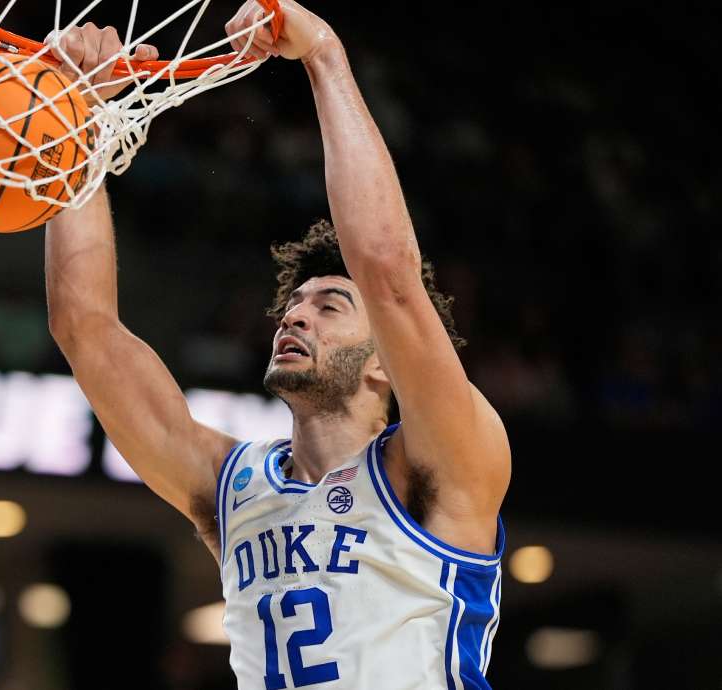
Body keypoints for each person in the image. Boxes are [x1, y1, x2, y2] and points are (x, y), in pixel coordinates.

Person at [44, 1, 510, 688]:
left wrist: (323, 54)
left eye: (328, 306)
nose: (295, 318)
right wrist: (74, 119)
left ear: (384, 360)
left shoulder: (443, 460)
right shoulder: (231, 488)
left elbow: (387, 273)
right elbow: (84, 328)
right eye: (292, 305)